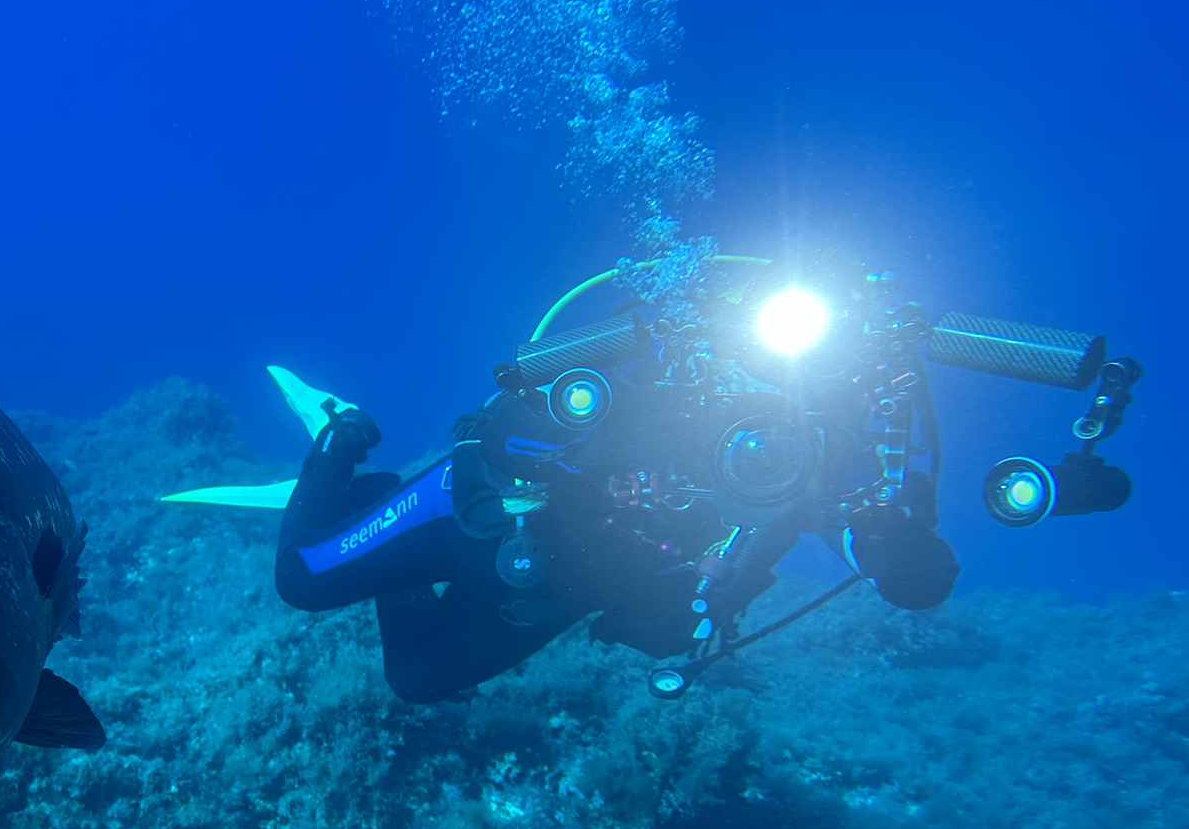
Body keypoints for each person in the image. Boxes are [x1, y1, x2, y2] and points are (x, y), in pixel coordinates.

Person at [169, 258, 1040, 703]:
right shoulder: (671, 378)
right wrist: (586, 468)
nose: (761, 435)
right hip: (480, 515)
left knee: (418, 680)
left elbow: (860, 532)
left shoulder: (808, 465)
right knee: (300, 581)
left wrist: (898, 556)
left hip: (555, 589)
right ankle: (340, 439)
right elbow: (513, 419)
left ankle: (371, 519)